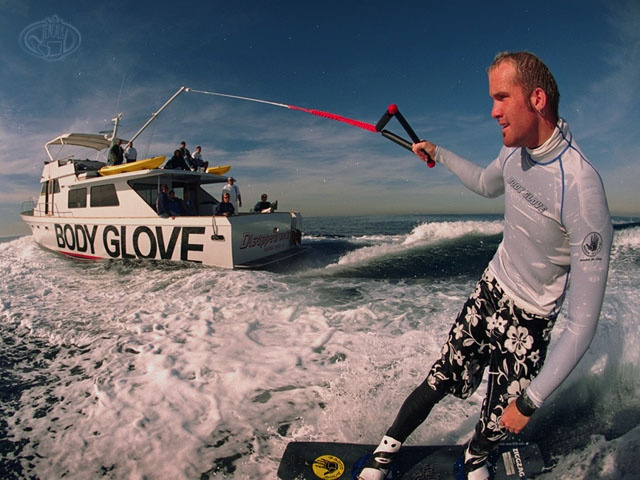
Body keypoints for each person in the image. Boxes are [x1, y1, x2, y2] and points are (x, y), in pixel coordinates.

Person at [358, 51, 613, 480]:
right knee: (441, 375)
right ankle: (387, 449)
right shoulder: (515, 153)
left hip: (530, 316)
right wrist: (438, 152)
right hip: (493, 287)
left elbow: (582, 324)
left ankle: (476, 455)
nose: (493, 112)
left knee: (503, 413)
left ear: (536, 99)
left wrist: (532, 400)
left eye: (501, 98)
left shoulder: (582, 190)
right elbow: (484, 183)